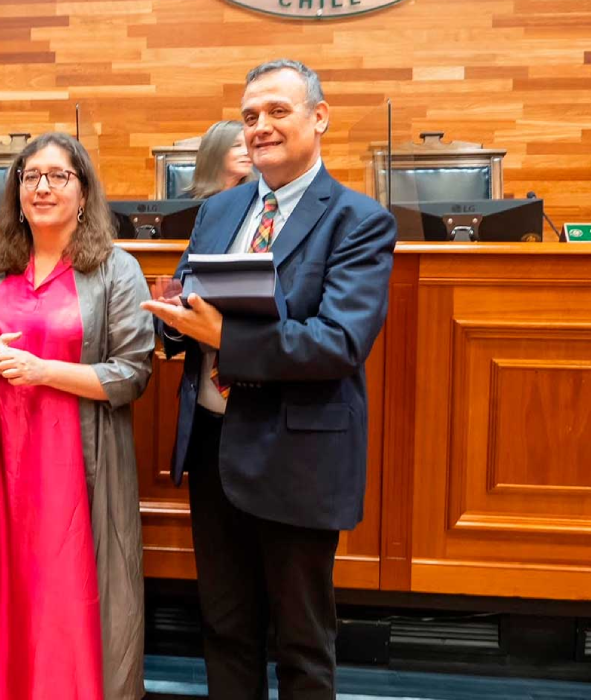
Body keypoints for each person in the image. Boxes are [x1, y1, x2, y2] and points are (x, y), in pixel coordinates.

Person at [141, 59, 397, 699]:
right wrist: (172, 324)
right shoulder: (220, 209)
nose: (260, 127)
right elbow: (194, 303)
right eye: (250, 115)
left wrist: (224, 339)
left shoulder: (358, 220)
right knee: (225, 632)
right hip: (214, 451)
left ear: (319, 117)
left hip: (297, 458)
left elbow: (338, 342)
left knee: (302, 645)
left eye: (278, 112)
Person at [0, 132, 154, 700]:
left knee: (65, 593)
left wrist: (44, 372)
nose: (42, 186)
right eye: (30, 176)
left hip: (75, 465)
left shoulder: (116, 270)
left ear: (83, 193)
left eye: (58, 175)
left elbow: (133, 373)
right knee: (2, 588)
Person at [183, 120, 253, 199]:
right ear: (215, 152)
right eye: (236, 145)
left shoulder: (260, 199)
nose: (247, 152)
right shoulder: (185, 205)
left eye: (249, 145)